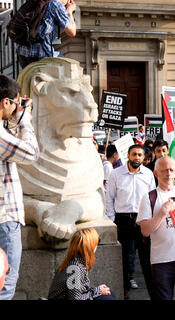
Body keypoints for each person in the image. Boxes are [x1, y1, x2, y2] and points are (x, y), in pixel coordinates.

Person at [0, 75, 39, 300]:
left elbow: (10, 140)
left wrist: (17, 115)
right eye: (15, 103)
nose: (16, 107)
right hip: (5, 217)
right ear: (6, 102)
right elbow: (30, 153)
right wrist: (26, 120)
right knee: (6, 282)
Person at [105, 144, 156, 299]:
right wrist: (112, 219)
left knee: (146, 258)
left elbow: (152, 198)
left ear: (143, 157)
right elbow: (109, 198)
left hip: (142, 220)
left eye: (139, 155)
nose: (137, 158)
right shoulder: (116, 174)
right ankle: (124, 290)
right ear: (128, 155)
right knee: (124, 258)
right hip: (123, 220)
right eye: (134, 154)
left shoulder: (148, 174)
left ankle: (154, 293)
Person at [137, 156, 175, 300]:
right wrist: (162, 212)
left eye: (172, 170)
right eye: (164, 170)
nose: (168, 173)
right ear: (156, 173)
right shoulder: (149, 198)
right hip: (162, 260)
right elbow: (145, 231)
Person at [47, 228, 114, 300]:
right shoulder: (75, 269)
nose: (97, 245)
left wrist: (98, 291)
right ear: (90, 246)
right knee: (107, 297)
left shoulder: (75, 262)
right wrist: (98, 290)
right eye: (97, 241)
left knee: (108, 294)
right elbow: (76, 298)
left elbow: (79, 293)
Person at [16, 0, 77, 68]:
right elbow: (72, 32)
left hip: (22, 54)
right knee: (69, 67)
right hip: (41, 54)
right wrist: (69, 12)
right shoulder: (56, 4)